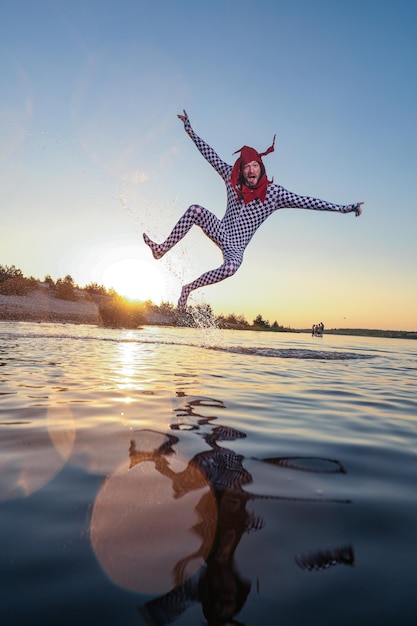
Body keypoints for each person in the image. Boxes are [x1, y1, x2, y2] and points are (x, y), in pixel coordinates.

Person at [143, 110, 364, 309]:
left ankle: (188, 288)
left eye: (255, 166)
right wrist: (189, 130)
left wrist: (343, 208)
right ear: (241, 170)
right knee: (195, 210)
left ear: (261, 167)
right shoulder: (232, 179)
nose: (251, 170)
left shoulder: (274, 194)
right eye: (246, 167)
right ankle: (161, 249)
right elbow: (210, 155)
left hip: (236, 248)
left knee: (230, 268)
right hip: (220, 229)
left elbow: (307, 201)